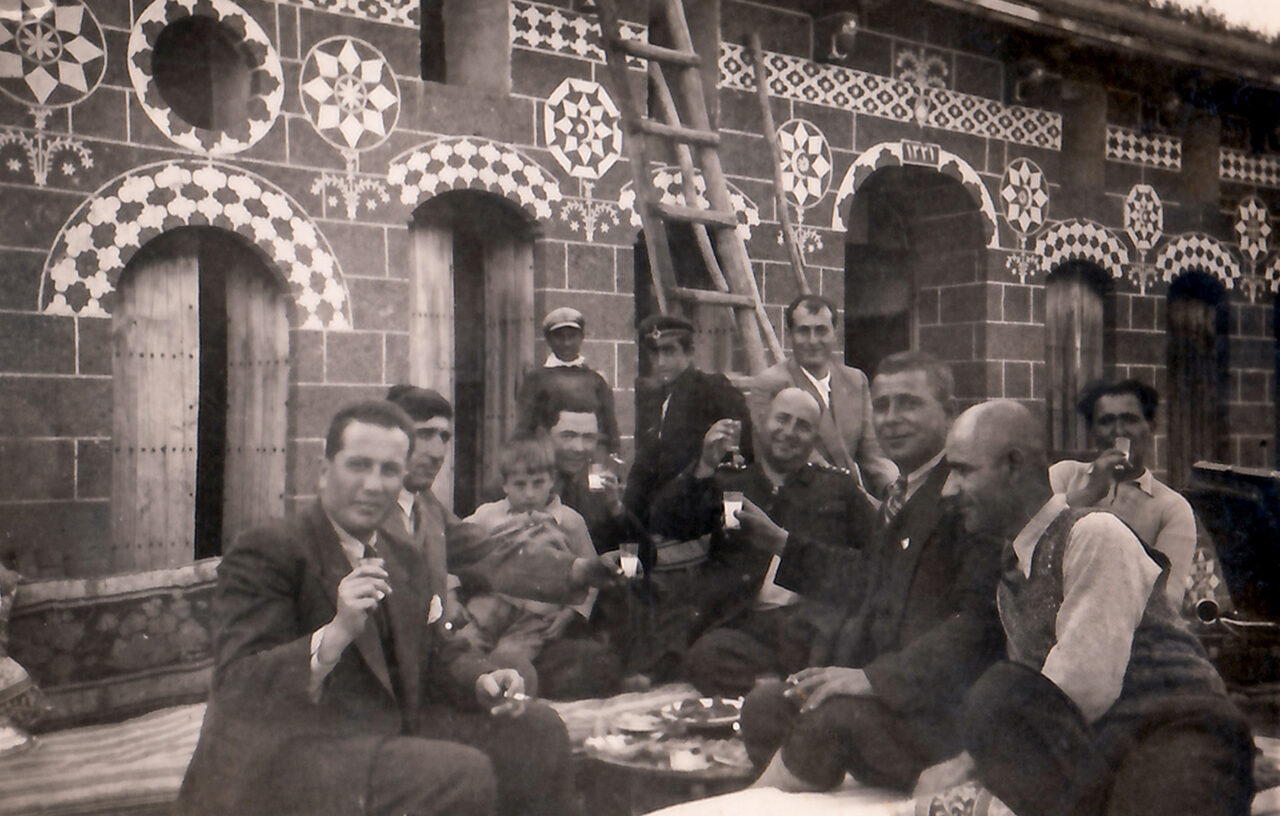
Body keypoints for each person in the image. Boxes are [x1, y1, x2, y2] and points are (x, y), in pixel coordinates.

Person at [178, 401, 577, 816]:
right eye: (358, 465)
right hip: (289, 755)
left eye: (389, 471)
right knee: (458, 773)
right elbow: (237, 685)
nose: (373, 484)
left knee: (536, 729)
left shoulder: (402, 554)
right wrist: (334, 635)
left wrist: (482, 679)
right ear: (324, 470)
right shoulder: (271, 550)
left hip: (383, 736)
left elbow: (437, 648)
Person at [914, 400, 1252, 816]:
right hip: (1104, 743)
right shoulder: (1013, 569)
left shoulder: (1093, 533)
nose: (948, 489)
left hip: (1180, 730)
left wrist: (969, 762)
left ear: (1013, 466)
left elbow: (1083, 684)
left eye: (963, 470)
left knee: (999, 693)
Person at [739, 352, 1004, 793]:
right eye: (881, 406)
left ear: (949, 412)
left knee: (833, 717)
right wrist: (784, 544)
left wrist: (869, 680)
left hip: (938, 715)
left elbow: (978, 626)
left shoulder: (966, 493)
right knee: (767, 705)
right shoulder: (902, 491)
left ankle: (753, 803)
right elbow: (867, 577)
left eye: (908, 403)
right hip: (889, 696)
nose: (891, 419)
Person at [649, 387, 878, 697]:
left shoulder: (838, 488)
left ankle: (777, 689)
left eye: (803, 425)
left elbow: (878, 558)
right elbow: (668, 523)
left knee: (849, 648)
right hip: (747, 622)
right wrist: (703, 467)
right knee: (706, 656)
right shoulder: (730, 482)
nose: (789, 432)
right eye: (782, 419)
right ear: (762, 423)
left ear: (814, 438)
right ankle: (781, 691)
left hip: (815, 625)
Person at [383, 385, 615, 608]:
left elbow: (491, 555)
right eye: (424, 434)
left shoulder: (427, 507)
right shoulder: (368, 507)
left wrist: (579, 570)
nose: (438, 452)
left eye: (444, 437)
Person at [459, 435, 621, 699]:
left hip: (535, 617)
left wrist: (571, 613)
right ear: (504, 484)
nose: (529, 493)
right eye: (520, 485)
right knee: (464, 648)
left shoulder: (570, 521)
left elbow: (593, 573)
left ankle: (505, 711)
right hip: (488, 606)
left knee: (510, 660)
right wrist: (454, 593)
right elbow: (455, 550)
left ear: (552, 482)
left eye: (538, 484)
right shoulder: (487, 516)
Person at [1049, 379, 1197, 607]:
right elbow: (1033, 539)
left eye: (1130, 420)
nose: (1119, 432)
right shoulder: (1063, 476)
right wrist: (1089, 493)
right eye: (1107, 422)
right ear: (1091, 430)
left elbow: (1167, 602)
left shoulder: (1171, 508)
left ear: (1152, 426)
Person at [749, 295, 896, 498]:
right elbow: (797, 458)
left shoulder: (855, 380)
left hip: (851, 496)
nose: (812, 341)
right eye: (803, 331)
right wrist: (856, 496)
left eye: (821, 330)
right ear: (790, 334)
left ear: (834, 334)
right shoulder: (770, 384)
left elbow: (872, 452)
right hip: (799, 497)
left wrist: (892, 486)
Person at [624, 313, 754, 529]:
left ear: (690, 352)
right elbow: (643, 468)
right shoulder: (651, 398)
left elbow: (741, 457)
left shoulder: (714, 389)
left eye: (669, 351)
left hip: (696, 516)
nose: (661, 362)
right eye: (654, 353)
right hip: (656, 517)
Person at [516, 307, 620, 453]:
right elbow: (525, 428)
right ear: (548, 339)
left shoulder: (596, 380)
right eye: (559, 337)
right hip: (548, 458)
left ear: (581, 337)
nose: (566, 343)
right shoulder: (535, 379)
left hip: (586, 456)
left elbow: (609, 428)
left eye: (572, 336)